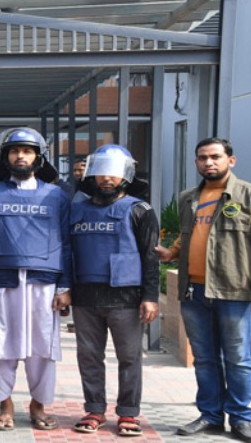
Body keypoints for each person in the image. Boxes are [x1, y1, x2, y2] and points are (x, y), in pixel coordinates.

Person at [0, 127, 72, 431]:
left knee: (42, 348)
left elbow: (67, 243)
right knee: (1, 346)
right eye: (14, 151)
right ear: (6, 157)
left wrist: (66, 286)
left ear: (39, 157)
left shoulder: (56, 196)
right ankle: (5, 405)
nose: (20, 156)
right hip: (1, 282)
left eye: (27, 151)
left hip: (44, 283)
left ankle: (39, 405)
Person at [156, 138, 251, 442]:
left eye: (215, 157)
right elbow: (186, 237)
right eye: (202, 158)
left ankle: (241, 418)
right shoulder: (188, 198)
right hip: (194, 292)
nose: (208, 162)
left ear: (230, 160)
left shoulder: (248, 195)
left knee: (238, 358)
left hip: (234, 291)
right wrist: (171, 253)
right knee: (204, 358)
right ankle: (210, 416)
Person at [69, 145, 159, 436]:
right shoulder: (76, 209)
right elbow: (66, 252)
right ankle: (94, 409)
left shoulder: (139, 210)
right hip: (85, 297)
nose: (107, 178)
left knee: (129, 357)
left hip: (126, 298)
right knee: (88, 357)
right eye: (101, 171)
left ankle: (128, 413)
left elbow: (150, 257)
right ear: (91, 174)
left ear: (126, 175)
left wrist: (150, 297)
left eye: (114, 172)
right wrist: (64, 289)